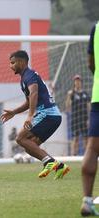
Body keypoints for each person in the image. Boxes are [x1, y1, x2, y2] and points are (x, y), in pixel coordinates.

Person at [0, 50, 70, 179]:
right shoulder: (25, 78)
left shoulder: (29, 76)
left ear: (21, 62)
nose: (10, 66)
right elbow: (29, 101)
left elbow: (34, 93)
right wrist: (14, 112)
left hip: (47, 114)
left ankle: (49, 162)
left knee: (20, 138)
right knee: (30, 146)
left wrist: (30, 116)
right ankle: (59, 167)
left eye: (13, 63)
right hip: (53, 116)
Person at [80, 21, 99, 216]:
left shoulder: (96, 27)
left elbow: (91, 63)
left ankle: (87, 200)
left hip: (98, 96)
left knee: (92, 148)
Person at [65, 74, 91, 156]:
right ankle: (74, 155)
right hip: (75, 119)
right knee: (75, 138)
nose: (77, 82)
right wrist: (68, 96)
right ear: (74, 83)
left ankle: (86, 155)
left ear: (81, 82)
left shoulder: (85, 94)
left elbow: (89, 107)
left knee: (85, 138)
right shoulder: (71, 93)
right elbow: (67, 107)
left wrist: (89, 119)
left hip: (84, 119)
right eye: (76, 81)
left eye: (79, 81)